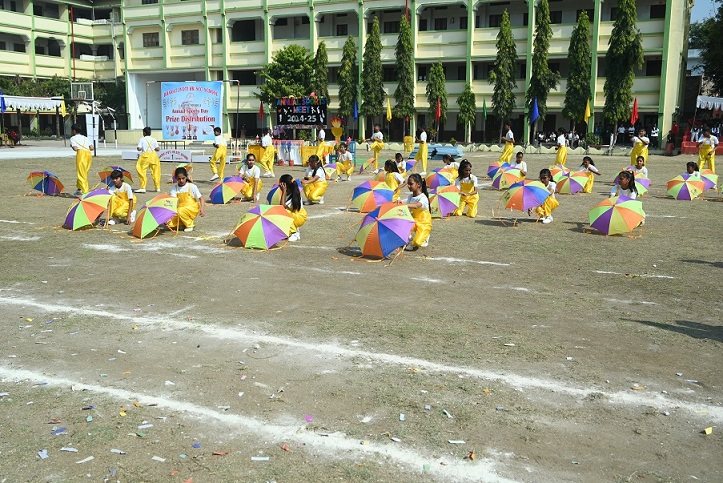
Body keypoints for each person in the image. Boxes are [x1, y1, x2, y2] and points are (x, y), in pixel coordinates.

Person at [168, 166, 205, 232]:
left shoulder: (192, 186)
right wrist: (168, 217)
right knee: (169, 222)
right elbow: (172, 202)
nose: (181, 180)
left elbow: (201, 198)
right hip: (181, 208)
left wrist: (202, 209)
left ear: (186, 177)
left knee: (180, 211)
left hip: (192, 208)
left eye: (183, 178)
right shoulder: (174, 188)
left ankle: (190, 225)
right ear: (176, 178)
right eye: (179, 179)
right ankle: (183, 223)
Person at [404, 173, 432, 251]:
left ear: (418, 184)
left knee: (417, 242)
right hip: (415, 220)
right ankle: (409, 241)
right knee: (403, 226)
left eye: (411, 184)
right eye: (408, 184)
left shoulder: (423, 198)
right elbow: (407, 208)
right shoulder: (410, 197)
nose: (408, 186)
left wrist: (404, 205)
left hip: (424, 223)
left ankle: (425, 236)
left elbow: (416, 205)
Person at [278, 174, 307, 242]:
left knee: (284, 212)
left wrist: (284, 191)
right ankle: (290, 231)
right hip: (294, 215)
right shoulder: (286, 195)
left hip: (299, 217)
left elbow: (282, 207)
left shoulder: (294, 195)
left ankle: (295, 233)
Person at [70, 124, 95, 196]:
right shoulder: (85, 137)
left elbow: (75, 148)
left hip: (81, 155)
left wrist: (72, 146)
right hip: (88, 154)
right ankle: (79, 188)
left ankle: (85, 192)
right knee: (84, 173)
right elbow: (92, 148)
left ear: (74, 131)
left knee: (81, 173)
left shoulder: (73, 138)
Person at [135, 127, 161, 193]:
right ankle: (157, 187)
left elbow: (139, 148)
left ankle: (143, 187)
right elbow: (158, 149)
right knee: (156, 172)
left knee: (141, 170)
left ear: (144, 133)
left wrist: (140, 148)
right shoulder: (154, 139)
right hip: (154, 156)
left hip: (145, 156)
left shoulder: (142, 139)